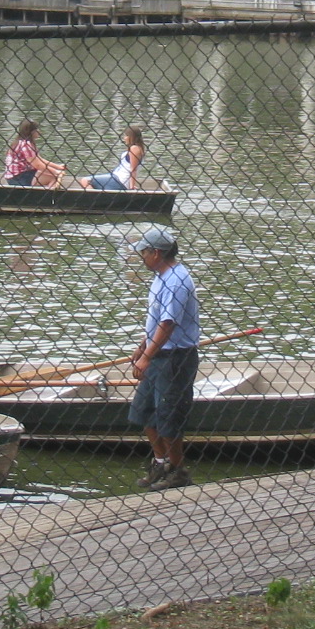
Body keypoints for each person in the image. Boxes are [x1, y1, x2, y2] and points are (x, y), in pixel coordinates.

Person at [127, 223, 199, 490]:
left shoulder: (177, 280)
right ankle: (160, 462)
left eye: (143, 253)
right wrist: (142, 347)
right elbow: (156, 321)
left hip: (175, 357)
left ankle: (177, 470)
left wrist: (147, 357)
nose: (141, 257)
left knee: (169, 415)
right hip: (158, 354)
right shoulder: (160, 278)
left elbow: (168, 323)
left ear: (156, 253)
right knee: (144, 411)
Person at [4, 122, 68, 188]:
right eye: (37, 129)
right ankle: (51, 196)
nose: (39, 131)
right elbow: (37, 165)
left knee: (48, 173)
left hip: (17, 175)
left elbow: (39, 160)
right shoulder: (26, 144)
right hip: (18, 177)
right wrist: (56, 172)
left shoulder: (21, 142)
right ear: (32, 132)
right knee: (53, 178)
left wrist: (58, 167)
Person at [87, 126, 145, 192]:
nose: (124, 138)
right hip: (116, 176)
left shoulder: (134, 148)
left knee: (86, 181)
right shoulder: (134, 148)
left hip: (120, 180)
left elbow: (133, 169)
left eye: (126, 136)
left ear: (131, 137)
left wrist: (131, 187)